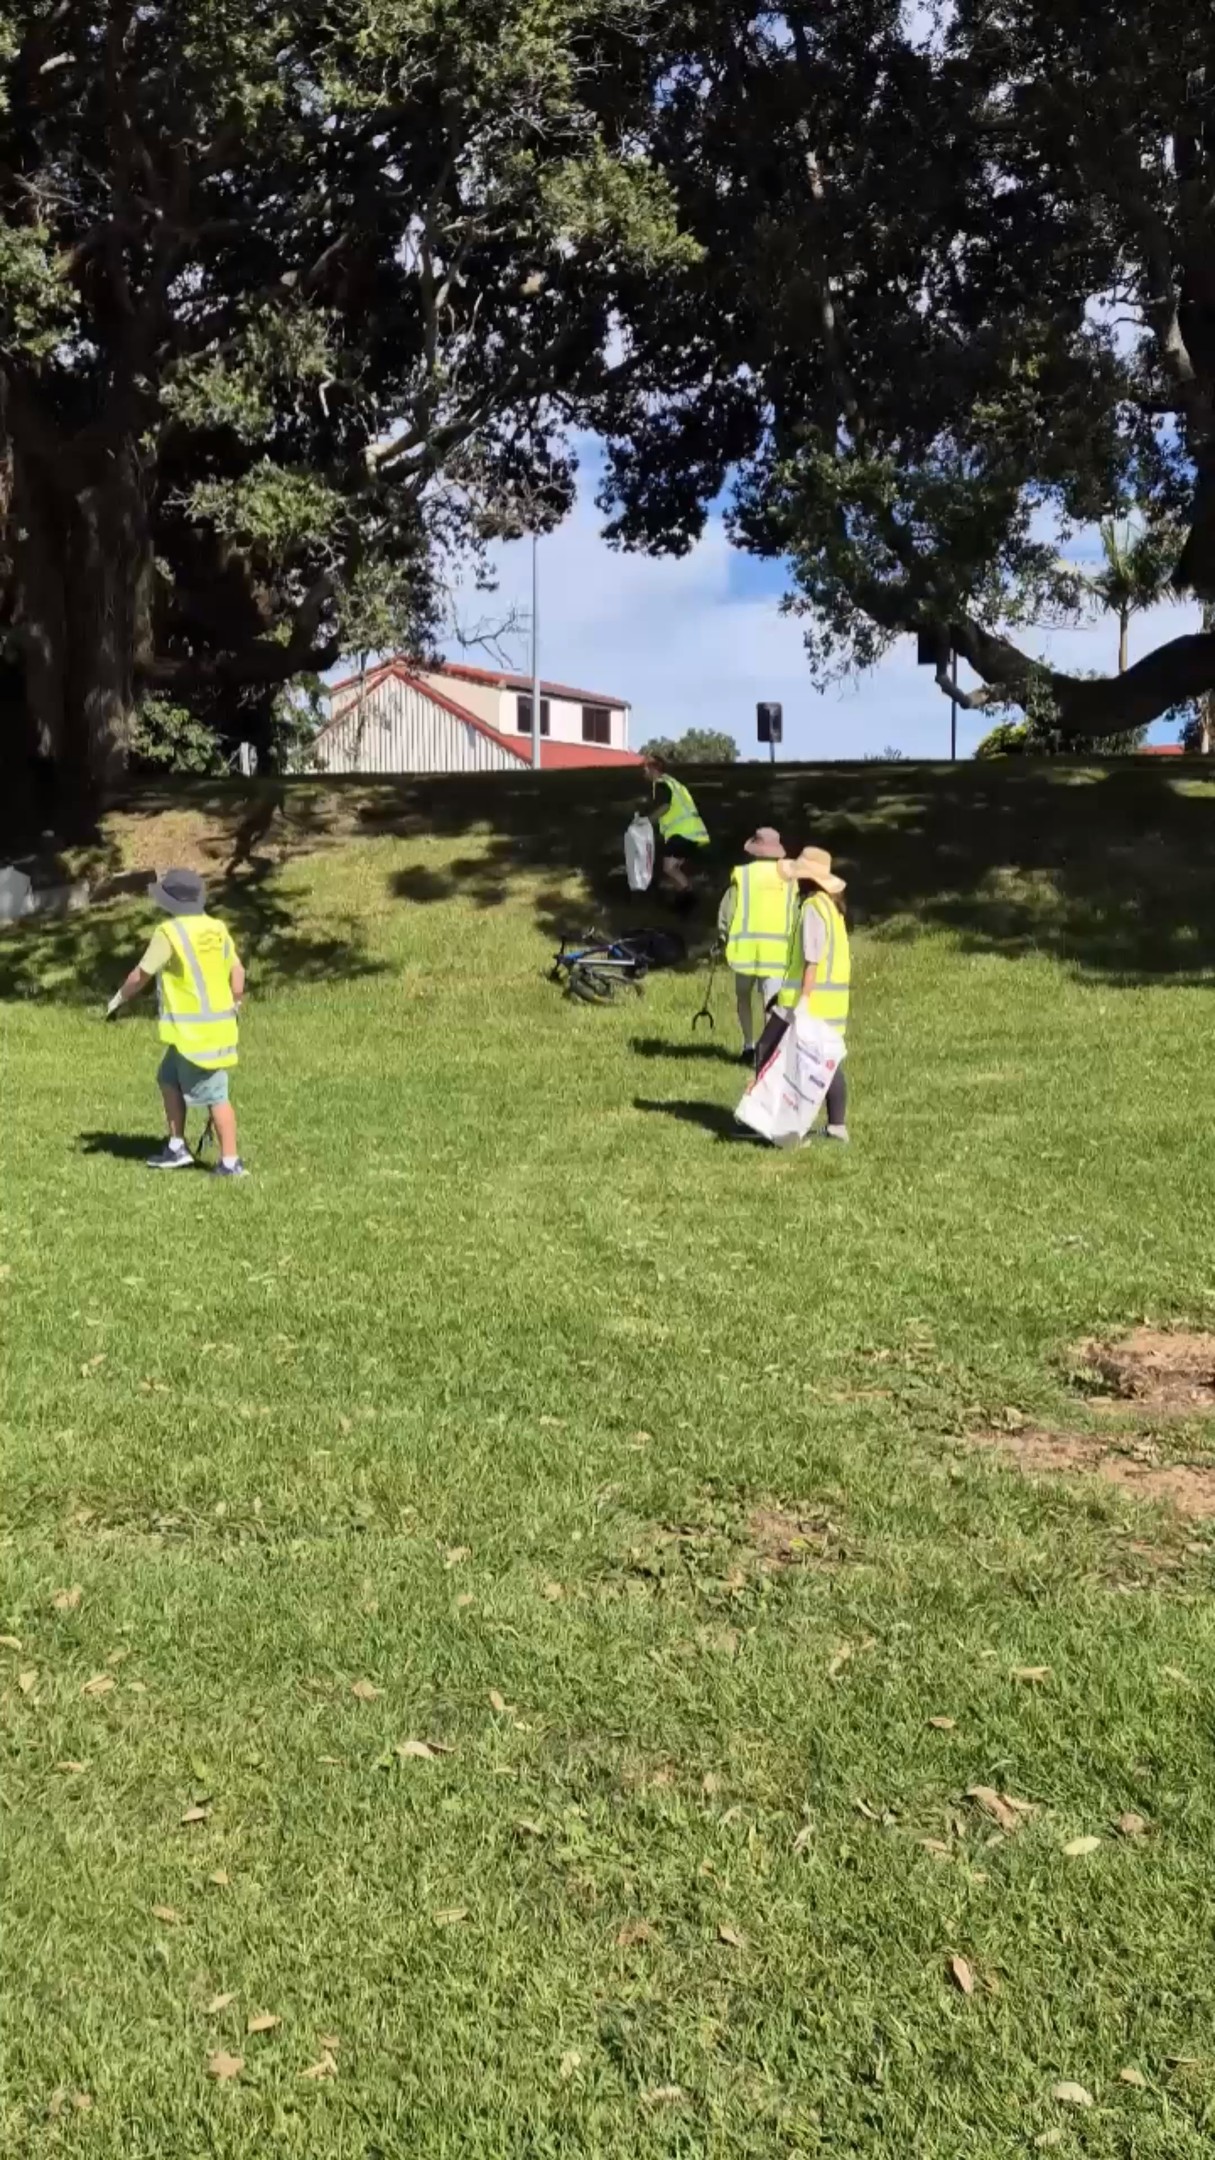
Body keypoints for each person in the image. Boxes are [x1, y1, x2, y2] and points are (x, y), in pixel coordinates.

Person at [106, 867, 248, 1176]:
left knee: (216, 1097)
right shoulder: (217, 928)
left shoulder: (169, 933)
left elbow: (141, 974)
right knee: (167, 1077)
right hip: (211, 1029)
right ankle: (176, 1146)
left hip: (196, 1034)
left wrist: (118, 1000)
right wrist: (235, 1003)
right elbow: (238, 973)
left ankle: (230, 1163)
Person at [755, 846, 852, 1142]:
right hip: (831, 1004)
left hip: (805, 1001)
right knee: (826, 1064)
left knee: (766, 1051)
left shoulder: (812, 908)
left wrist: (804, 1003)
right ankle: (837, 1126)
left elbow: (812, 958)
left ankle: (767, 1119)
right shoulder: (830, 906)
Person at [716, 826, 795, 1065]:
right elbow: (795, 913)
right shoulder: (789, 878)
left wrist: (722, 938)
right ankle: (769, 1050)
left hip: (745, 949)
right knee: (770, 1004)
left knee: (743, 997)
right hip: (777, 951)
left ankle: (748, 1045)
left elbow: (726, 912)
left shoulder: (743, 875)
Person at [641, 753, 710, 899]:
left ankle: (688, 900)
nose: (643, 771)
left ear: (653, 769)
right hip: (692, 832)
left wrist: (647, 821)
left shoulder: (661, 783)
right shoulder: (674, 783)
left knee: (669, 867)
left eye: (645, 768)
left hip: (682, 833)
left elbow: (665, 806)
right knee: (673, 868)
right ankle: (684, 899)